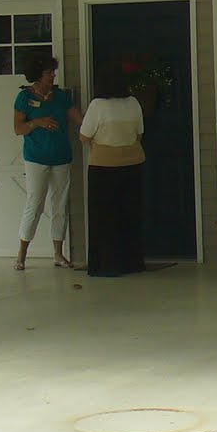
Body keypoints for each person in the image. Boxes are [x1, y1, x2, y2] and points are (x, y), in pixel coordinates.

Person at [12, 53, 81, 270]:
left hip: (61, 156)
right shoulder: (24, 98)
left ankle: (58, 254)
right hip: (36, 158)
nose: (53, 75)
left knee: (59, 204)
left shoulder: (60, 96)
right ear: (38, 75)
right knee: (35, 203)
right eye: (48, 72)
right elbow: (18, 129)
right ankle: (21, 255)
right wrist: (37, 122)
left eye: (53, 71)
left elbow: (78, 119)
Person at [79, 61, 145, 278]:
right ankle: (132, 262)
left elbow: (84, 135)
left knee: (104, 217)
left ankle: (107, 264)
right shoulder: (134, 103)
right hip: (133, 164)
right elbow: (140, 133)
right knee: (130, 214)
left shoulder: (98, 105)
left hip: (103, 167)